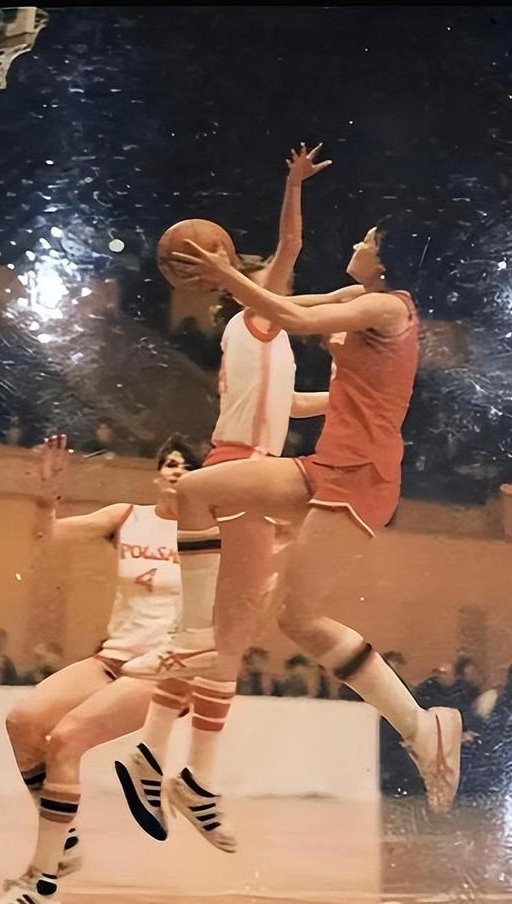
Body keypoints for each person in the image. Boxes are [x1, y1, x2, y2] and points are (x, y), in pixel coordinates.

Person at [161, 198, 462, 836]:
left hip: (363, 475)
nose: (357, 243)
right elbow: (283, 303)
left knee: (296, 618)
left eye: (368, 238)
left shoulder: (390, 307)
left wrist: (224, 271)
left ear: (386, 258)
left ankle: (420, 725)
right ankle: (194, 637)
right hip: (326, 464)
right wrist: (231, 279)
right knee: (197, 490)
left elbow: (292, 317)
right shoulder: (357, 294)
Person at [114, 143, 346, 852]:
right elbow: (292, 248)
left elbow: (293, 400)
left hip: (245, 471)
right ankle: (183, 771)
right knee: (228, 639)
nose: (281, 280)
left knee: (221, 639)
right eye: (268, 277)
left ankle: (162, 757)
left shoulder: (259, 334)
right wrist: (293, 184)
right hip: (244, 472)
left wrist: (352, 400)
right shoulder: (256, 318)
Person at [0, 432, 207, 904]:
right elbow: (50, 534)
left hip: (165, 672)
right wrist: (46, 498)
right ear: (157, 474)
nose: (177, 471)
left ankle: (40, 883)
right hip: (112, 658)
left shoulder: (210, 534)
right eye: (170, 463)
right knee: (23, 722)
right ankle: (62, 845)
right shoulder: (127, 517)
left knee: (66, 741)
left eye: (188, 466)